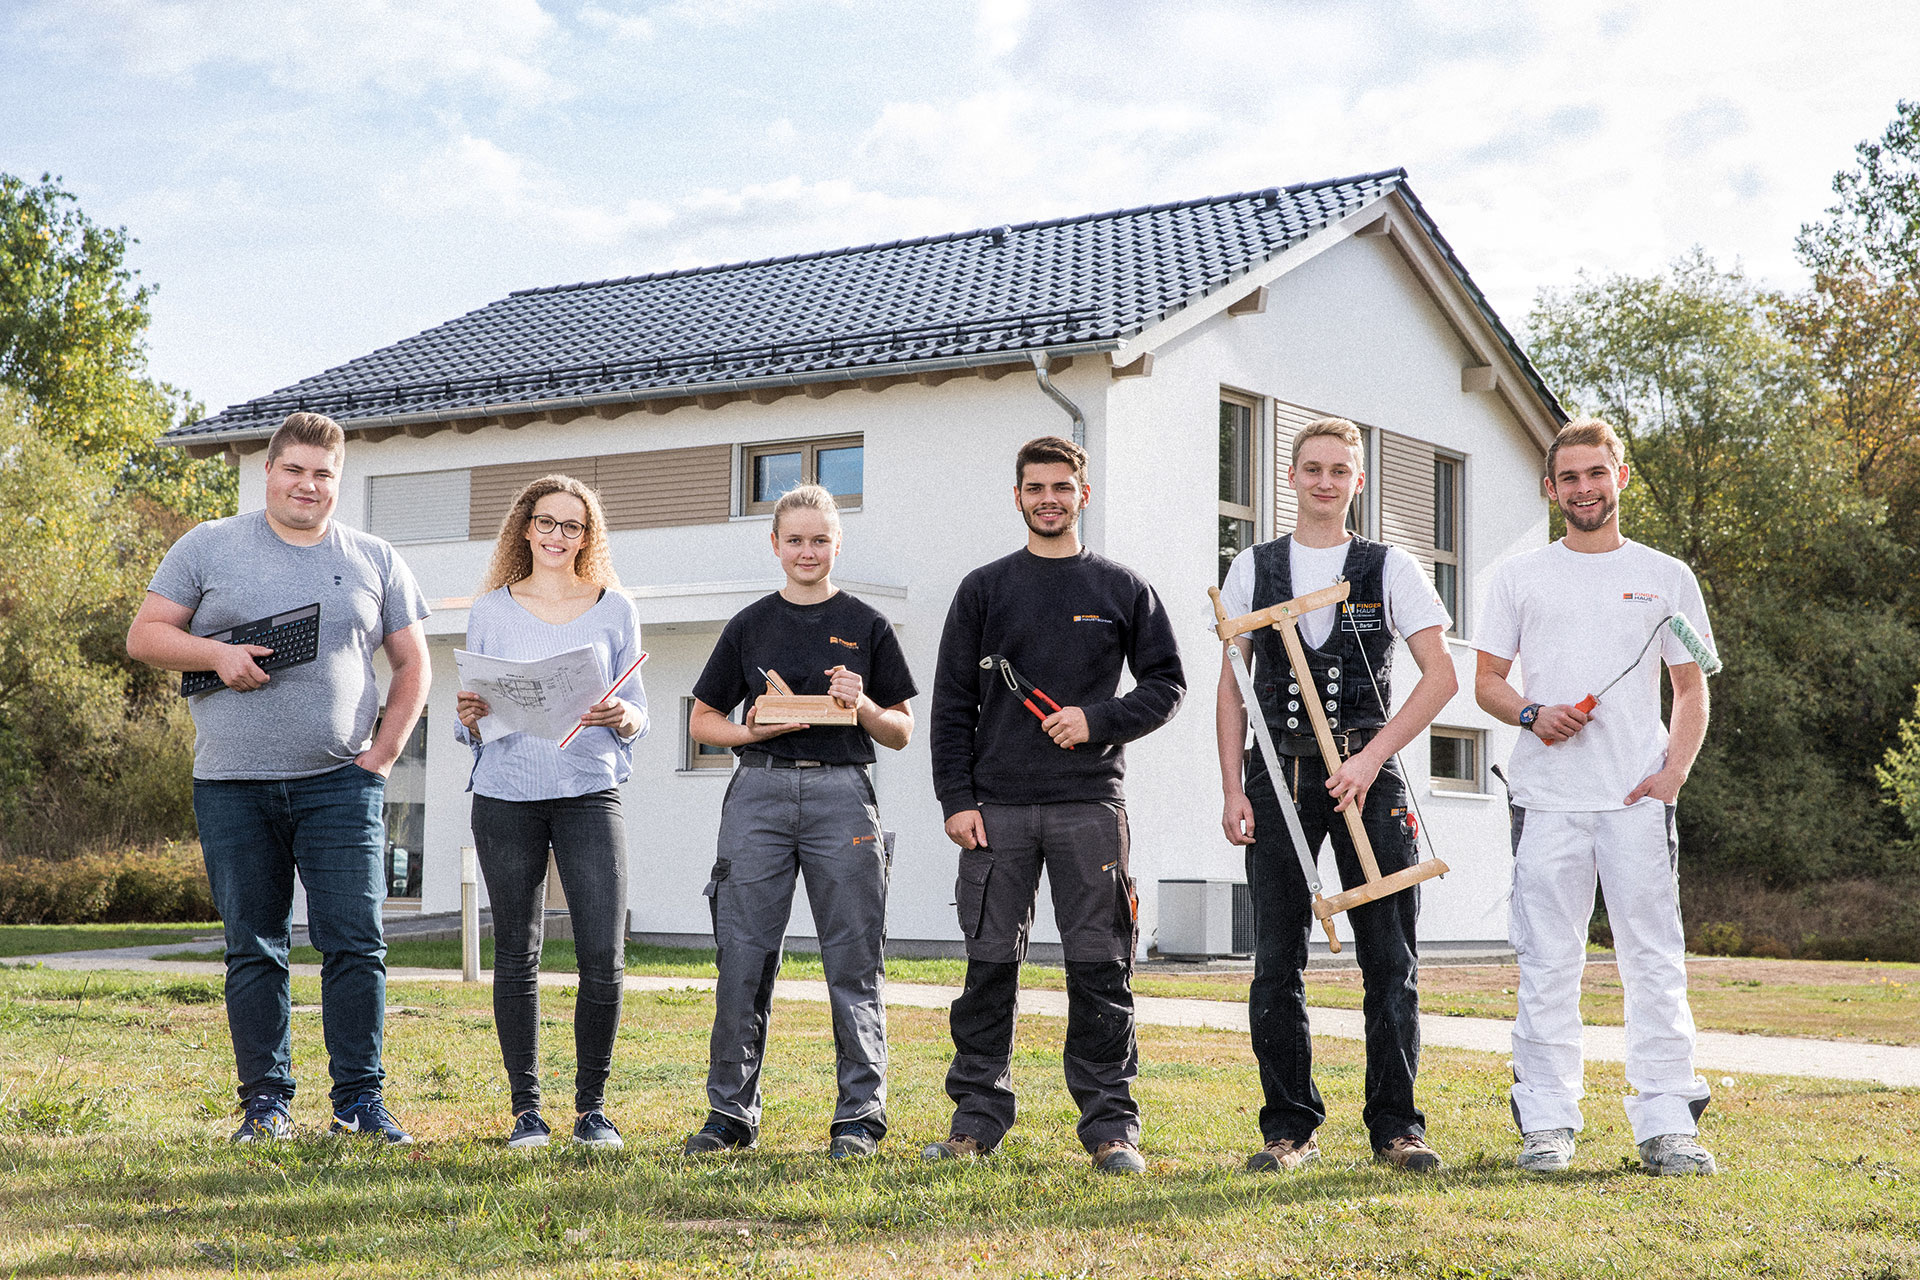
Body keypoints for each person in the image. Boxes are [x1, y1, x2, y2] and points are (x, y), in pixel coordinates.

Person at [126, 411, 430, 1144]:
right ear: (269, 470)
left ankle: (360, 1103)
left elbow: (413, 664)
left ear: (339, 481)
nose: (309, 484)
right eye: (294, 469)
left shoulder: (374, 557)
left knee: (355, 943)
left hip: (340, 783)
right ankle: (266, 1106)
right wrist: (216, 657)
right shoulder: (210, 544)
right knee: (254, 945)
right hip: (232, 784)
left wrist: (382, 757)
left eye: (324, 473)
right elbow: (145, 636)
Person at [925, 434, 1186, 1176]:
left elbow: (1168, 686)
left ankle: (1110, 1129)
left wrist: (1096, 721)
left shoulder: (1121, 589)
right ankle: (975, 1120)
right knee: (987, 969)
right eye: (1035, 487)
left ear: (1083, 495)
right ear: (1017, 497)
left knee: (1100, 969)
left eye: (1062, 487)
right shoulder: (983, 589)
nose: (1049, 499)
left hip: (1089, 806)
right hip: (995, 810)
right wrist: (956, 799)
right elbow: (950, 705)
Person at [1473, 417, 1717, 1177]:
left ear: (1620, 478)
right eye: (1569, 478)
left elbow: (1690, 686)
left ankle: (1668, 1122)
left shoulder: (1667, 574)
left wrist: (1672, 772)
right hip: (1546, 800)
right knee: (1548, 961)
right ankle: (1547, 1123)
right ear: (1551, 489)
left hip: (1638, 801)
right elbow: (1486, 680)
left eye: (1596, 474)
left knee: (1654, 958)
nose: (1584, 489)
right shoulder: (1518, 578)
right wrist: (1530, 713)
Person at [1215, 416, 1458, 1175]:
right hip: (1279, 779)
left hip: (1370, 777)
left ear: (1359, 481)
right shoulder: (1253, 567)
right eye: (1312, 468)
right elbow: (1232, 695)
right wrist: (1233, 788)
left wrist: (1371, 757)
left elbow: (1440, 677)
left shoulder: (1391, 568)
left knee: (1390, 956)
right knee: (1276, 957)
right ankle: (1289, 1128)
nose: (1325, 481)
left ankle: (1397, 1128)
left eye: (1339, 470)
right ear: (1291, 477)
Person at [681, 484, 916, 1160]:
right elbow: (702, 721)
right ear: (775, 545)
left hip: (842, 794)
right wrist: (748, 731)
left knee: (853, 960)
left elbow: (899, 732)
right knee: (743, 960)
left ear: (837, 544)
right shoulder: (750, 624)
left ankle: (858, 1121)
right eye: (795, 540)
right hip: (758, 794)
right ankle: (729, 1116)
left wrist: (864, 703)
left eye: (820, 539)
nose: (807, 551)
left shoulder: (868, 624)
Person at [454, 475, 647, 1150]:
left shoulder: (614, 609)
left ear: (587, 537)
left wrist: (624, 714)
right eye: (546, 522)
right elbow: (469, 716)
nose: (558, 536)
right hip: (506, 793)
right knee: (517, 952)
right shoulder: (492, 610)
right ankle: (526, 1112)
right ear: (525, 528)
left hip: (590, 790)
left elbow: (640, 711)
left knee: (602, 950)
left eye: (573, 526)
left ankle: (592, 1109)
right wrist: (470, 715)